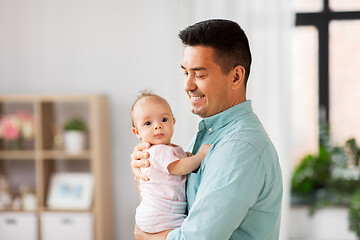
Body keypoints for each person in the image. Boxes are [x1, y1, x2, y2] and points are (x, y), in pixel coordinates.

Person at [131, 19, 283, 240]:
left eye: (199, 75)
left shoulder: (239, 148)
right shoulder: (209, 135)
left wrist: (145, 236)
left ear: (236, 77)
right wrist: (148, 173)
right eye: (185, 73)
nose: (187, 85)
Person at [131, 90, 211, 233]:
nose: (158, 126)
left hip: (162, 210)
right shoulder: (157, 151)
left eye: (164, 120)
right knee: (187, 232)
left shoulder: (169, 149)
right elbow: (179, 168)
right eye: (148, 123)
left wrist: (187, 157)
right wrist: (200, 156)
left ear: (173, 122)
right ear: (137, 132)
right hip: (161, 212)